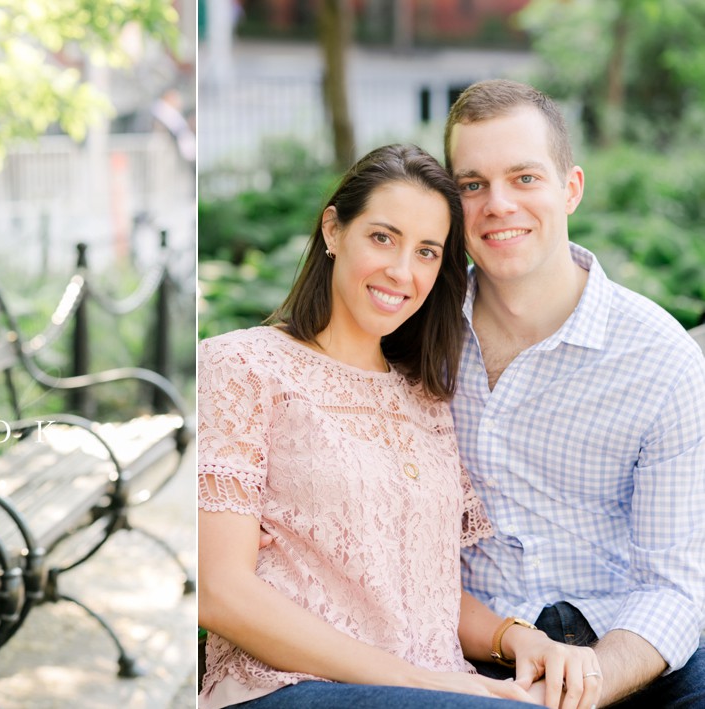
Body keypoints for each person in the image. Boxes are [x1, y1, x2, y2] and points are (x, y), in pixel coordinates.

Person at [198, 144, 600, 709]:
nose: (402, 271)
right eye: (383, 238)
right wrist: (428, 684)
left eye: (428, 252)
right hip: (287, 687)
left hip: (437, 689)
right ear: (334, 230)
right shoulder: (242, 366)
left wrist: (519, 639)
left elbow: (425, 593)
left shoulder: (425, 396)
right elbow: (219, 592)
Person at [444, 79, 705, 708]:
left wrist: (590, 682)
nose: (497, 204)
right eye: (472, 184)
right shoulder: (414, 331)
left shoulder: (658, 358)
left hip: (624, 648)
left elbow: (675, 586)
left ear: (571, 188)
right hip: (466, 651)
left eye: (524, 178)